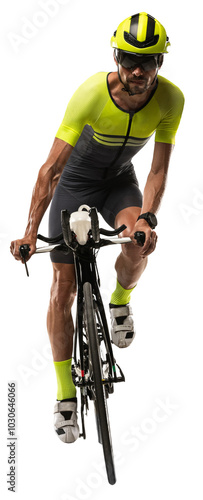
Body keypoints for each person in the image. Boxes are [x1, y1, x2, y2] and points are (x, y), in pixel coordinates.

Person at [10, 12, 184, 443]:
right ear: (116, 56)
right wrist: (31, 231)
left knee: (139, 243)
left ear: (161, 62)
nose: (137, 70)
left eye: (147, 61)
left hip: (119, 186)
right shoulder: (91, 93)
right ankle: (65, 394)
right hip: (74, 187)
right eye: (128, 59)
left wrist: (146, 216)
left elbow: (158, 170)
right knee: (62, 288)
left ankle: (121, 299)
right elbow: (51, 169)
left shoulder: (171, 100)